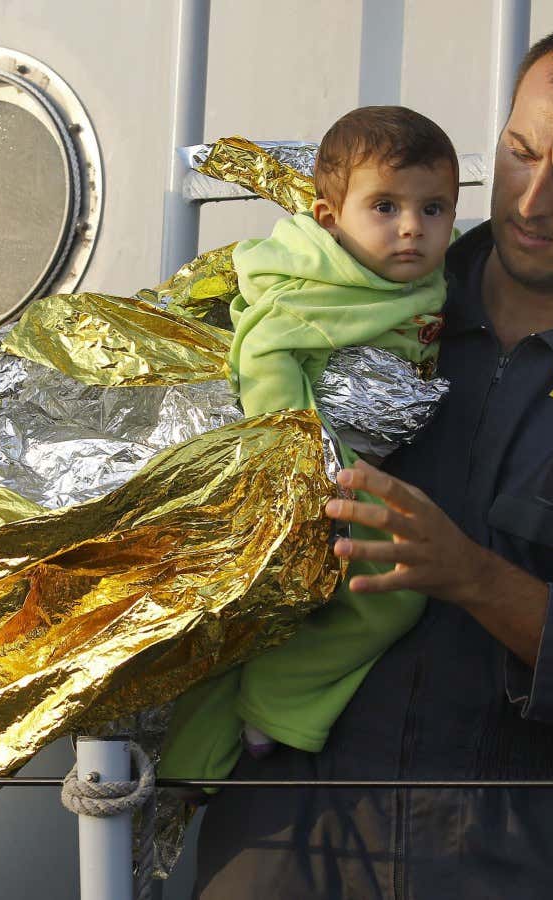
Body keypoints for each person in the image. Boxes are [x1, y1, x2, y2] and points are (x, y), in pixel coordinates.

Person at [191, 18, 553, 898]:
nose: (530, 202)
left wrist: (473, 577)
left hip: (509, 852)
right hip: (276, 832)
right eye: (518, 153)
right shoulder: (331, 301)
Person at [160, 106, 456, 783]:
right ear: (330, 219)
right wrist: (303, 470)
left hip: (349, 469)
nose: (412, 227)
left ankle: (199, 763)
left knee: (274, 624)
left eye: (434, 208)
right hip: (311, 476)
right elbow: (263, 348)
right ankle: (280, 704)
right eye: (385, 206)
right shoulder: (318, 281)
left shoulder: (411, 277)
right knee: (394, 593)